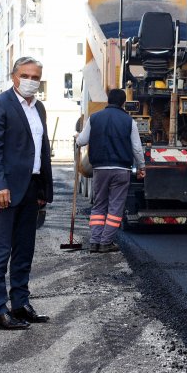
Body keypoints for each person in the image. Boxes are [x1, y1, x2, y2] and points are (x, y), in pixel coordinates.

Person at [0, 56, 53, 331]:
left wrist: (42, 188)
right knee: (0, 251)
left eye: (36, 77)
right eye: (26, 75)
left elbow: (41, 150)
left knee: (24, 251)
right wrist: (0, 186)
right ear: (14, 76)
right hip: (4, 190)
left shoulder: (39, 108)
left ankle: (20, 303)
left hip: (30, 188)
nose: (31, 81)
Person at [75, 88, 145, 254]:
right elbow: (136, 147)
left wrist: (76, 138)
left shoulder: (94, 118)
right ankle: (106, 242)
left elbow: (82, 141)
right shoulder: (130, 121)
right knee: (115, 207)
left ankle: (94, 241)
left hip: (100, 169)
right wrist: (142, 167)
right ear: (123, 103)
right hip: (121, 170)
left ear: (108, 101)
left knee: (99, 206)